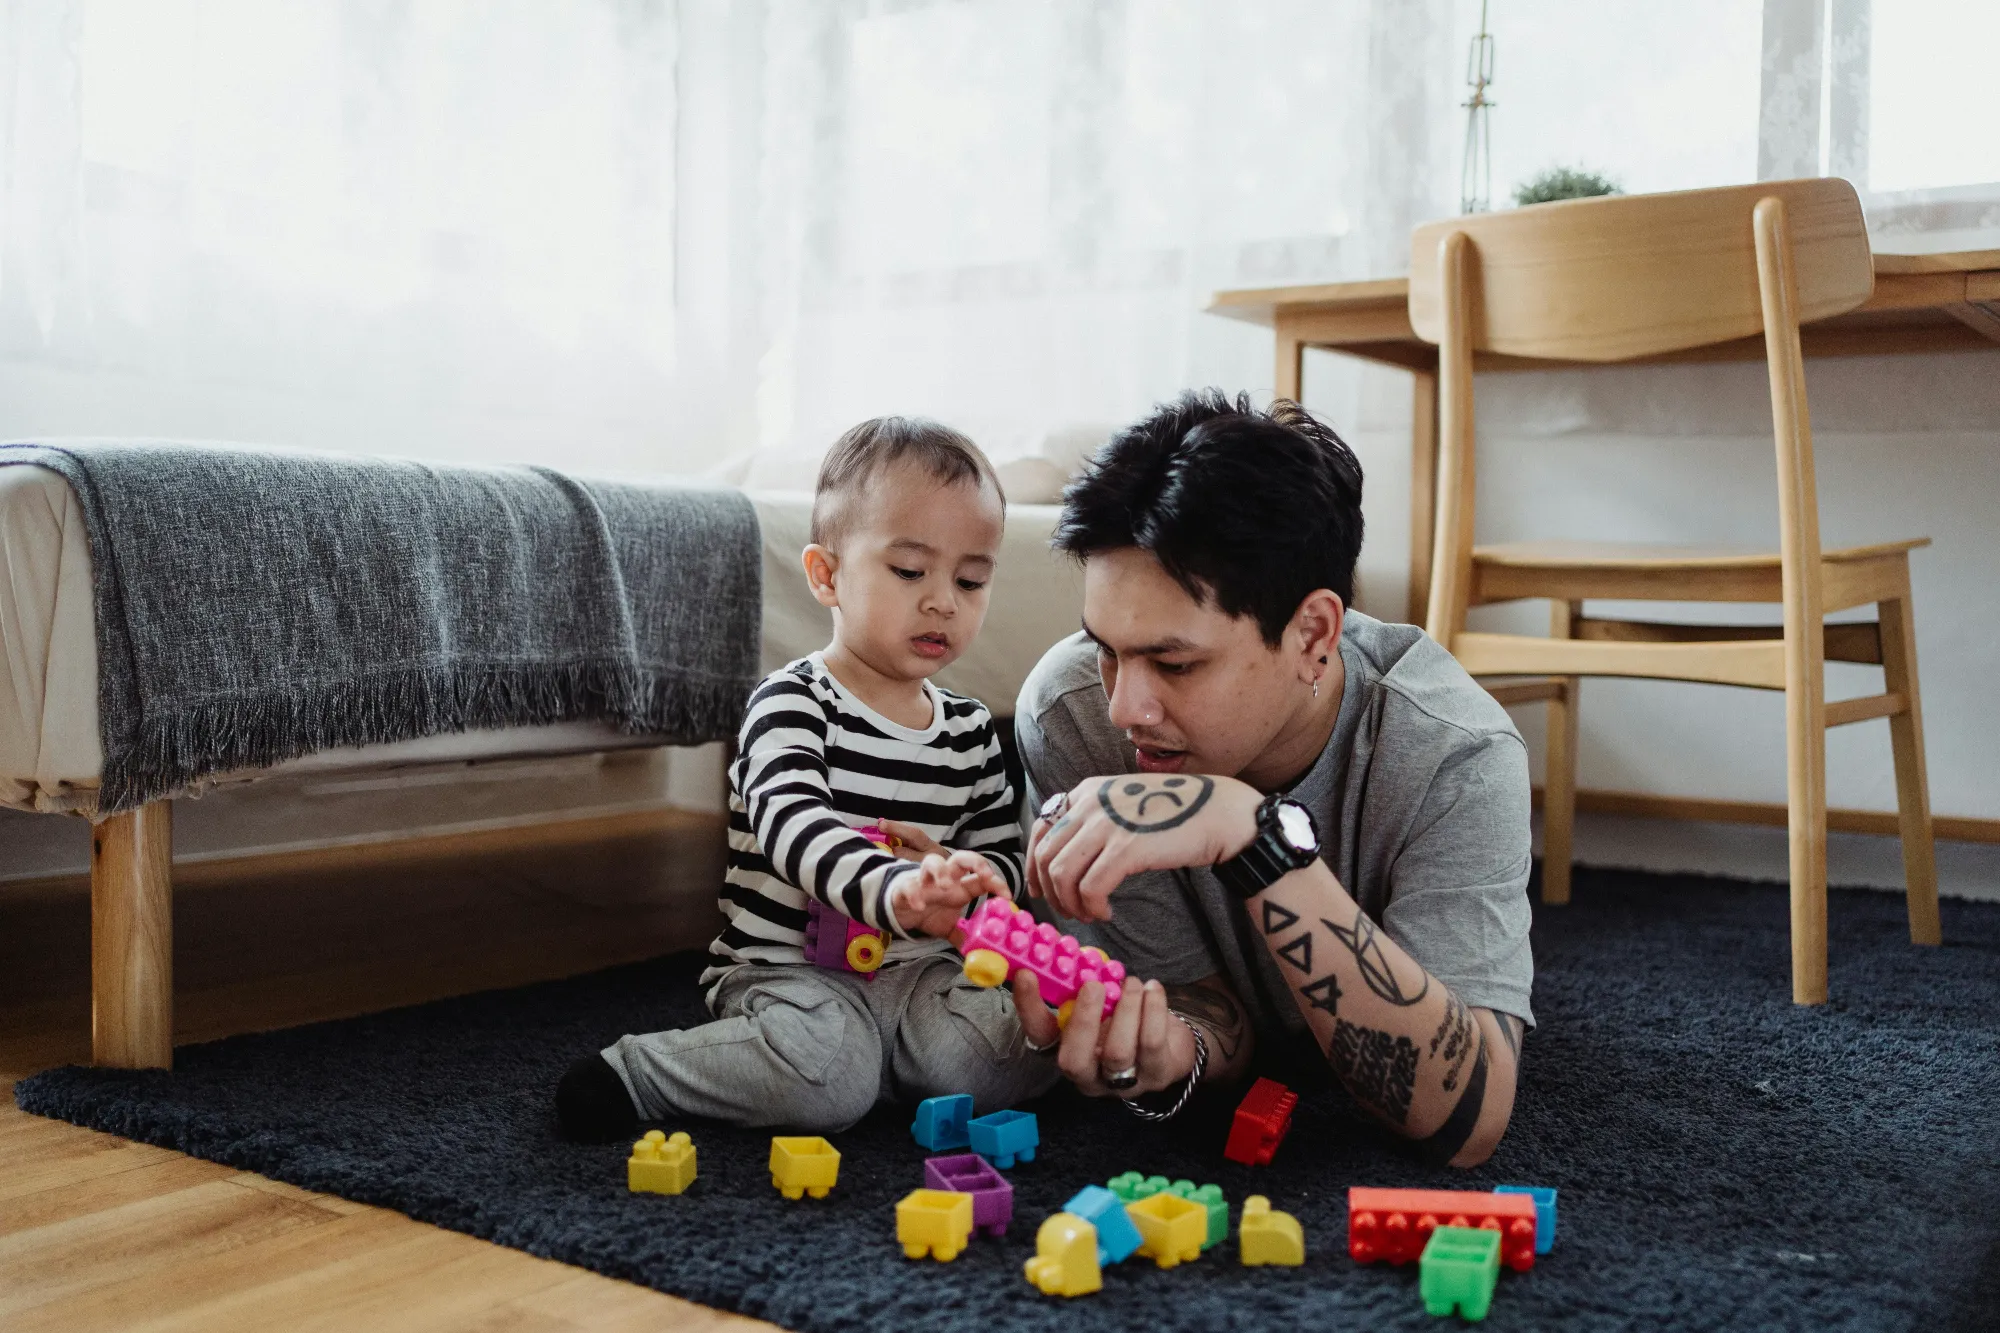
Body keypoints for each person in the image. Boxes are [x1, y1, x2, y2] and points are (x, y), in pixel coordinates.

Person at [1010, 390, 1533, 1167]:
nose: (1125, 705)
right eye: (1107, 649)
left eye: (1175, 662)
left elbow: (1467, 1119)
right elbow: (1211, 1011)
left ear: (1313, 634)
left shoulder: (1455, 751)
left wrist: (1252, 835)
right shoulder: (1072, 714)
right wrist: (1170, 1050)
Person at [555, 417, 1057, 1141]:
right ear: (826, 575)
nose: (944, 599)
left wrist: (978, 876)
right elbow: (796, 826)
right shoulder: (792, 702)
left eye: (971, 579)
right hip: (789, 971)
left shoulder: (971, 729)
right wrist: (892, 888)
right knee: (831, 1080)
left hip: (921, 977)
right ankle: (642, 1073)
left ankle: (948, 1054)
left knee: (981, 1059)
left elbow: (1001, 853)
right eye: (910, 571)